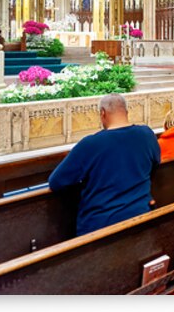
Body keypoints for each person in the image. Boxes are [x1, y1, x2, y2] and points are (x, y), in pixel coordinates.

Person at [48, 94, 161, 236]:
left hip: (101, 228)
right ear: (126, 112)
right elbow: (156, 162)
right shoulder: (146, 135)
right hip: (141, 218)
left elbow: (56, 181)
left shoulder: (90, 144)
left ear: (102, 113)